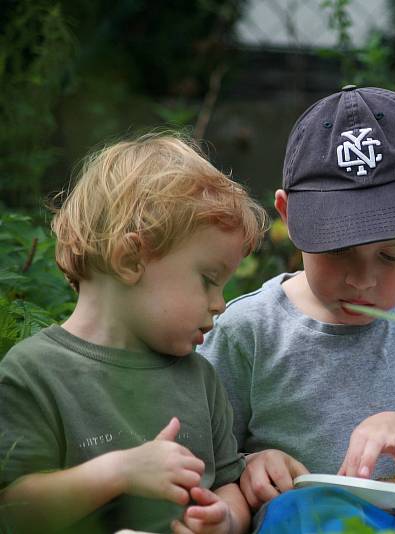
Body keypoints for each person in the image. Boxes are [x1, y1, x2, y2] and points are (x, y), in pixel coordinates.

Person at [198, 85, 395, 525]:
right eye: (336, 251)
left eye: (392, 256)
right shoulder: (249, 329)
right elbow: (208, 465)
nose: (361, 279)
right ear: (288, 216)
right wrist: (249, 467)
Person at [0, 133, 268, 534]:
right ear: (129, 260)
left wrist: (225, 519)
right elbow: (14, 511)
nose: (220, 304)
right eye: (209, 280)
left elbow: (229, 485)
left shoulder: (199, 378)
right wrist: (119, 471)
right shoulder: (35, 373)